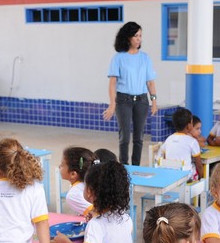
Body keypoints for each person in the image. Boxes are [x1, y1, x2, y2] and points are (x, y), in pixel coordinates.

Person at [103, 21, 158, 165]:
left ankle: (136, 166)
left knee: (139, 137)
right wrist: (112, 104)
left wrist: (154, 101)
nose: (139, 39)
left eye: (140, 36)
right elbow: (112, 83)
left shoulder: (145, 58)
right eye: (136, 36)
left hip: (141, 101)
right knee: (125, 136)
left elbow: (150, 82)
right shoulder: (118, 58)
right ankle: (124, 167)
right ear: (128, 38)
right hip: (123, 100)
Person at [157, 108, 204, 180]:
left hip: (169, 175)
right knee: (196, 168)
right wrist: (201, 178)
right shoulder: (192, 141)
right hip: (185, 177)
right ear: (188, 126)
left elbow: (164, 156)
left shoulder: (169, 139)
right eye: (191, 122)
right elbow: (199, 165)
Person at [58, 146, 97, 218]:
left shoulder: (73, 195)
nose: (59, 166)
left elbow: (97, 214)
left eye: (62, 165)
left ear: (73, 174)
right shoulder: (87, 184)